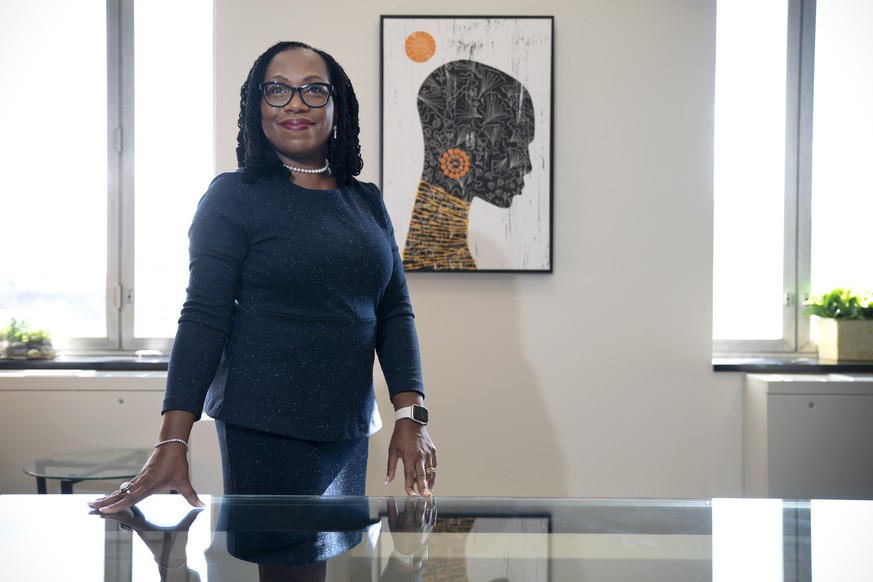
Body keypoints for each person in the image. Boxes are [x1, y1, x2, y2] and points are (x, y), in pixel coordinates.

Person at [89, 40, 437, 516]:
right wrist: (174, 438)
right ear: (257, 105)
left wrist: (410, 415)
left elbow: (393, 312)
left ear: (338, 105)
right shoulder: (233, 196)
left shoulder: (366, 200)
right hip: (265, 427)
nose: (295, 102)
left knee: (334, 560)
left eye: (314, 90)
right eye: (277, 90)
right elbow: (204, 317)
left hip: (349, 427)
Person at [402, 60, 535, 271]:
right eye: (514, 145)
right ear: (468, 144)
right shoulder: (440, 261)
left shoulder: (434, 259)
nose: (527, 165)